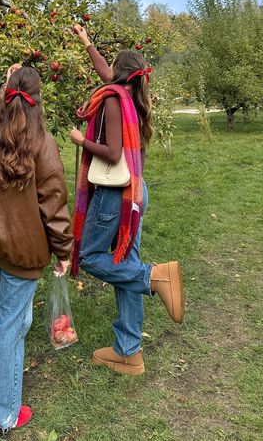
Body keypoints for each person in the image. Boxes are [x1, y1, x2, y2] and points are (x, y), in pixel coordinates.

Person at [69, 23, 184, 376]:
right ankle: (129, 352)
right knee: (124, 263)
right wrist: (87, 43)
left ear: (120, 74)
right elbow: (105, 71)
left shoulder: (113, 102)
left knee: (90, 256)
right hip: (135, 193)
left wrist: (79, 140)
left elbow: (112, 151)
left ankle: (154, 277)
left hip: (113, 196)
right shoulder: (130, 95)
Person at [0, 64, 73, 434]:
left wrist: (5, 86)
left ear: (5, 92)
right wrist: (63, 251)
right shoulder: (42, 142)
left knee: (2, 313)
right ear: (39, 99)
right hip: (22, 252)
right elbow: (54, 204)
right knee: (11, 324)